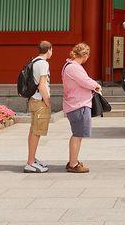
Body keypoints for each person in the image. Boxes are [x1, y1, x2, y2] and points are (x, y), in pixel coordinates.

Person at [61, 42, 101, 173]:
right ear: (84, 55)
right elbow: (86, 81)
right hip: (78, 105)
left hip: (75, 104)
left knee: (77, 134)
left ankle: (74, 160)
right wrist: (96, 85)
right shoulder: (73, 67)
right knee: (77, 135)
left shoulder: (70, 65)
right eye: (87, 55)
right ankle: (73, 163)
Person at [24, 41, 53, 173]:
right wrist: (47, 101)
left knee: (33, 131)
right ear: (49, 50)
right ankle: (30, 163)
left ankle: (32, 158)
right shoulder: (43, 63)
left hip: (33, 100)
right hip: (40, 101)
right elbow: (42, 85)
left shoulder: (34, 61)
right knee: (36, 132)